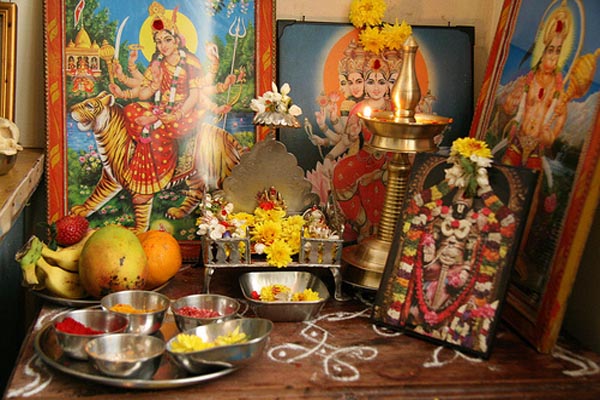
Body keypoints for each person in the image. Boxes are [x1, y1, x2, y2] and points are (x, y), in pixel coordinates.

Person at [108, 2, 235, 205]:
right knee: (131, 111)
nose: (163, 45)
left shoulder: (190, 62)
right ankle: (138, 170)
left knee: (154, 131)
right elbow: (145, 90)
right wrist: (123, 85)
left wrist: (175, 115)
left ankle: (152, 185)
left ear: (176, 40)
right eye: (158, 41)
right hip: (160, 108)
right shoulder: (157, 61)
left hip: (184, 112)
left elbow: (194, 96)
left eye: (167, 39)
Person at [497, 3, 572, 169]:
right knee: (507, 171)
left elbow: (561, 117)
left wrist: (551, 136)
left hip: (537, 147)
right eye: (550, 50)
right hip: (518, 139)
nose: (553, 57)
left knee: (532, 178)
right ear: (541, 52)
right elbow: (507, 107)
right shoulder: (528, 80)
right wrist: (512, 105)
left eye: (558, 51)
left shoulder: (558, 89)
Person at [330, 54, 393, 240]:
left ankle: (388, 232)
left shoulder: (395, 108)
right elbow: (347, 140)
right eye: (371, 82)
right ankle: (363, 224)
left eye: (381, 82)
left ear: (388, 85)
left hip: (392, 158)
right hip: (367, 157)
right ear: (364, 84)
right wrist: (352, 134)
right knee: (340, 174)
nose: (376, 88)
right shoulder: (358, 109)